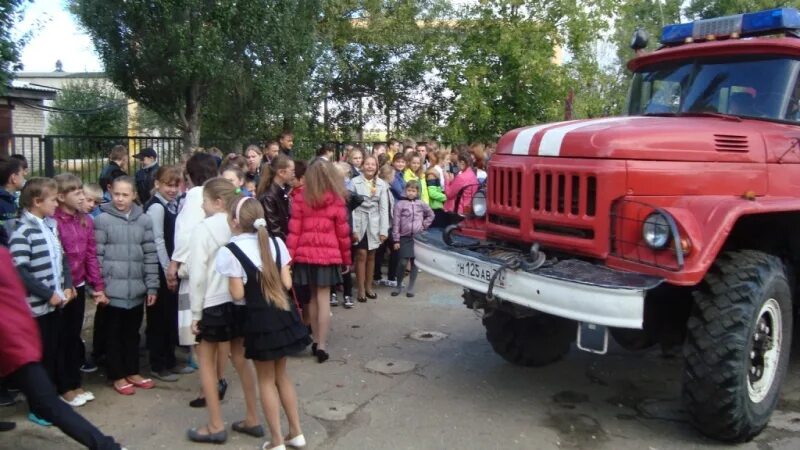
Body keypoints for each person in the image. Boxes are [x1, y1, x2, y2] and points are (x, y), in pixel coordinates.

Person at [0, 246, 123, 448]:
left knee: (48, 404)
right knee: (49, 404)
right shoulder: (4, 254)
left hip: (13, 344)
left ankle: (107, 446)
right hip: (17, 341)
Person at [217, 197, 310, 450]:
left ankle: (277, 440)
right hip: (284, 315)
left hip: (259, 321)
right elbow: (287, 284)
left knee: (266, 380)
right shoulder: (277, 243)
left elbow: (237, 296)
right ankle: (297, 432)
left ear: (235, 222)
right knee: (282, 376)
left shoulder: (231, 251)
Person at [9, 177, 76, 425]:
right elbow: (20, 272)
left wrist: (67, 285)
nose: (56, 205)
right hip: (37, 309)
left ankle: (48, 401)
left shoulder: (50, 226)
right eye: (52, 200)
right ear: (37, 202)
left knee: (52, 352)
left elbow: (63, 258)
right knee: (40, 357)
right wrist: (48, 294)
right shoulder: (22, 232)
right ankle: (38, 407)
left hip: (55, 305)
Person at [167, 152, 228, 407]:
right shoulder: (221, 194)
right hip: (220, 272)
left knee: (201, 335)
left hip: (199, 272)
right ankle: (220, 379)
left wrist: (174, 264)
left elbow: (185, 234)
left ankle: (208, 389)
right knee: (219, 335)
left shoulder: (195, 197)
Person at [186, 178, 243, 444]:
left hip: (211, 302)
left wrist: (195, 314)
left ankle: (215, 424)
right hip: (237, 300)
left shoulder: (204, 229)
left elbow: (197, 275)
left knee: (206, 364)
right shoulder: (239, 224)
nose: (202, 206)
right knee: (242, 360)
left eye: (205, 201)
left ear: (217, 202)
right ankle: (253, 416)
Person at [94, 176, 159, 396]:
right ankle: (117, 374)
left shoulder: (144, 220)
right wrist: (99, 287)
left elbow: (150, 254)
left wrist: (152, 286)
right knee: (113, 334)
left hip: (137, 289)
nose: (120, 199)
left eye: (125, 194)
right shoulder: (102, 220)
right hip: (112, 291)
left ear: (134, 195)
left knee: (132, 333)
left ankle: (132, 370)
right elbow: (97, 256)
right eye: (116, 194)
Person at [287, 161, 351, 363]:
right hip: (328, 256)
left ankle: (315, 340)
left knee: (312, 298)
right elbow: (343, 234)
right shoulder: (337, 199)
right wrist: (346, 259)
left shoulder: (299, 197)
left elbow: (294, 232)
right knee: (323, 299)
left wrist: (289, 258)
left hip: (305, 255)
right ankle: (322, 344)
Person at [52, 174, 106, 407]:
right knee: (60, 337)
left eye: (82, 192)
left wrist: (98, 285)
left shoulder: (85, 220)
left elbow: (90, 255)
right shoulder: (54, 222)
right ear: (61, 197)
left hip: (80, 284)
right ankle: (63, 386)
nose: (82, 196)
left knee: (74, 335)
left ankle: (75, 382)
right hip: (61, 288)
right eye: (77, 193)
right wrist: (65, 285)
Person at [144, 166, 190, 382]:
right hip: (160, 269)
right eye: (167, 185)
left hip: (170, 268)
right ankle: (158, 364)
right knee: (159, 318)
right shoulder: (157, 208)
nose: (172, 189)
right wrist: (167, 271)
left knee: (170, 316)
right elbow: (158, 241)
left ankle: (170, 360)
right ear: (157, 184)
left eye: (175, 185)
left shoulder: (170, 205)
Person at [351, 155, 390, 303]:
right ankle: (360, 288)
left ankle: (369, 286)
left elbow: (384, 208)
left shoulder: (381, 184)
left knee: (372, 255)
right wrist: (353, 229)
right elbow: (351, 208)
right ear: (362, 165)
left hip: (374, 222)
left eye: (373, 164)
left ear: (377, 167)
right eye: (367, 164)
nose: (370, 167)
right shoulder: (354, 182)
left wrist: (383, 230)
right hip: (359, 221)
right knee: (361, 254)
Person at [391, 180, 434, 298]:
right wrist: (396, 239)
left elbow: (431, 214)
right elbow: (396, 222)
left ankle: (411, 287)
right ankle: (398, 284)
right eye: (409, 190)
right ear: (405, 191)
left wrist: (424, 225)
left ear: (417, 192)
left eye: (413, 191)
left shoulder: (421, 204)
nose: (410, 193)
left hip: (418, 237)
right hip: (404, 237)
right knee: (403, 262)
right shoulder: (400, 204)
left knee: (415, 262)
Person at [256, 155, 294, 241]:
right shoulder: (269, 197)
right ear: (281, 173)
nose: (294, 174)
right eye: (292, 171)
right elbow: (274, 229)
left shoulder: (284, 192)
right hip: (276, 245)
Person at [373, 164, 398, 288]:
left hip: (387, 224)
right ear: (389, 176)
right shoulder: (383, 188)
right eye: (393, 175)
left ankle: (380, 276)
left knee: (381, 252)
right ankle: (388, 277)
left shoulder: (386, 188)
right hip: (385, 225)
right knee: (389, 250)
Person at [445, 151, 479, 216]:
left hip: (458, 211)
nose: (457, 165)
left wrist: (447, 180)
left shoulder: (461, 177)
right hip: (468, 209)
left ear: (462, 163)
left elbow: (449, 194)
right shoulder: (473, 175)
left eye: (457, 162)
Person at [0, 155, 24, 247]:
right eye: (21, 174)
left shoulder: (10, 200)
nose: (24, 177)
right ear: (13, 178)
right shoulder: (3, 202)